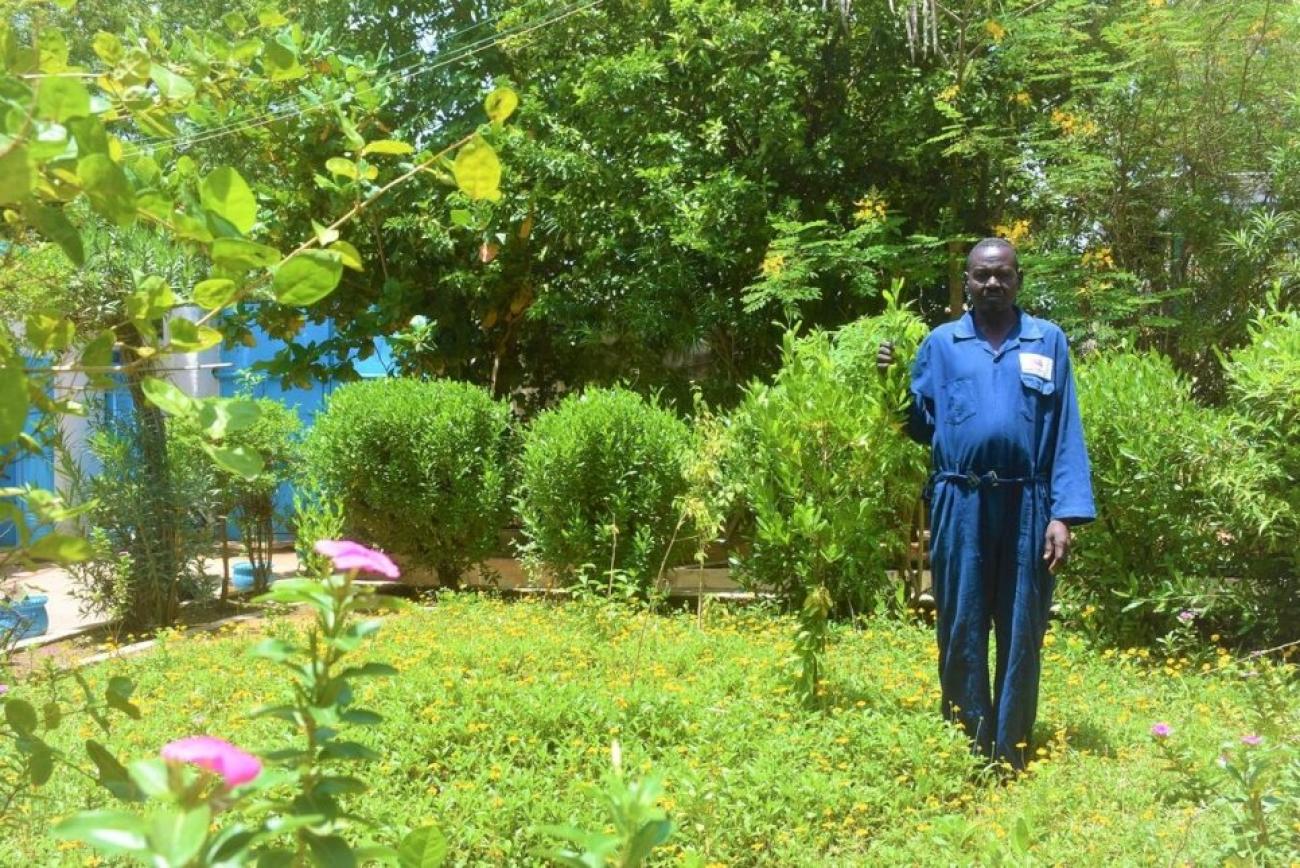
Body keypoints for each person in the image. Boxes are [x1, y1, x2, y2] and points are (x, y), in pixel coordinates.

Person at [877, 238, 1094, 770]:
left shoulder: (1048, 340)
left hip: (1028, 501)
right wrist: (888, 383)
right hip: (960, 499)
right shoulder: (941, 344)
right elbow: (921, 427)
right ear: (967, 282)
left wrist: (1062, 514)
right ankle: (966, 743)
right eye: (981, 275)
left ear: (1019, 279)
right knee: (961, 620)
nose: (992, 283)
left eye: (1003, 275)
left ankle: (1011, 748)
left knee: (1023, 625)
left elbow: (1066, 430)